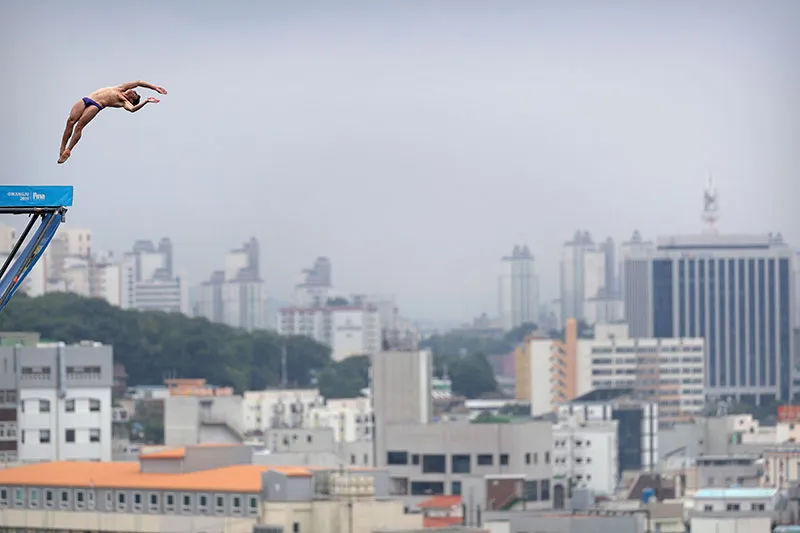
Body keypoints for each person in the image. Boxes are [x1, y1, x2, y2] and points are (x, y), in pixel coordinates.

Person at [58, 81, 168, 164]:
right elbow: (139, 82)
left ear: (132, 100)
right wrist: (154, 87)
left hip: (96, 105)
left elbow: (132, 109)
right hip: (87, 99)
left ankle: (68, 150)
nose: (134, 91)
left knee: (79, 126)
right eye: (134, 91)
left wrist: (146, 101)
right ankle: (62, 149)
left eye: (135, 94)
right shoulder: (121, 88)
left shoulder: (123, 101)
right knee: (70, 121)